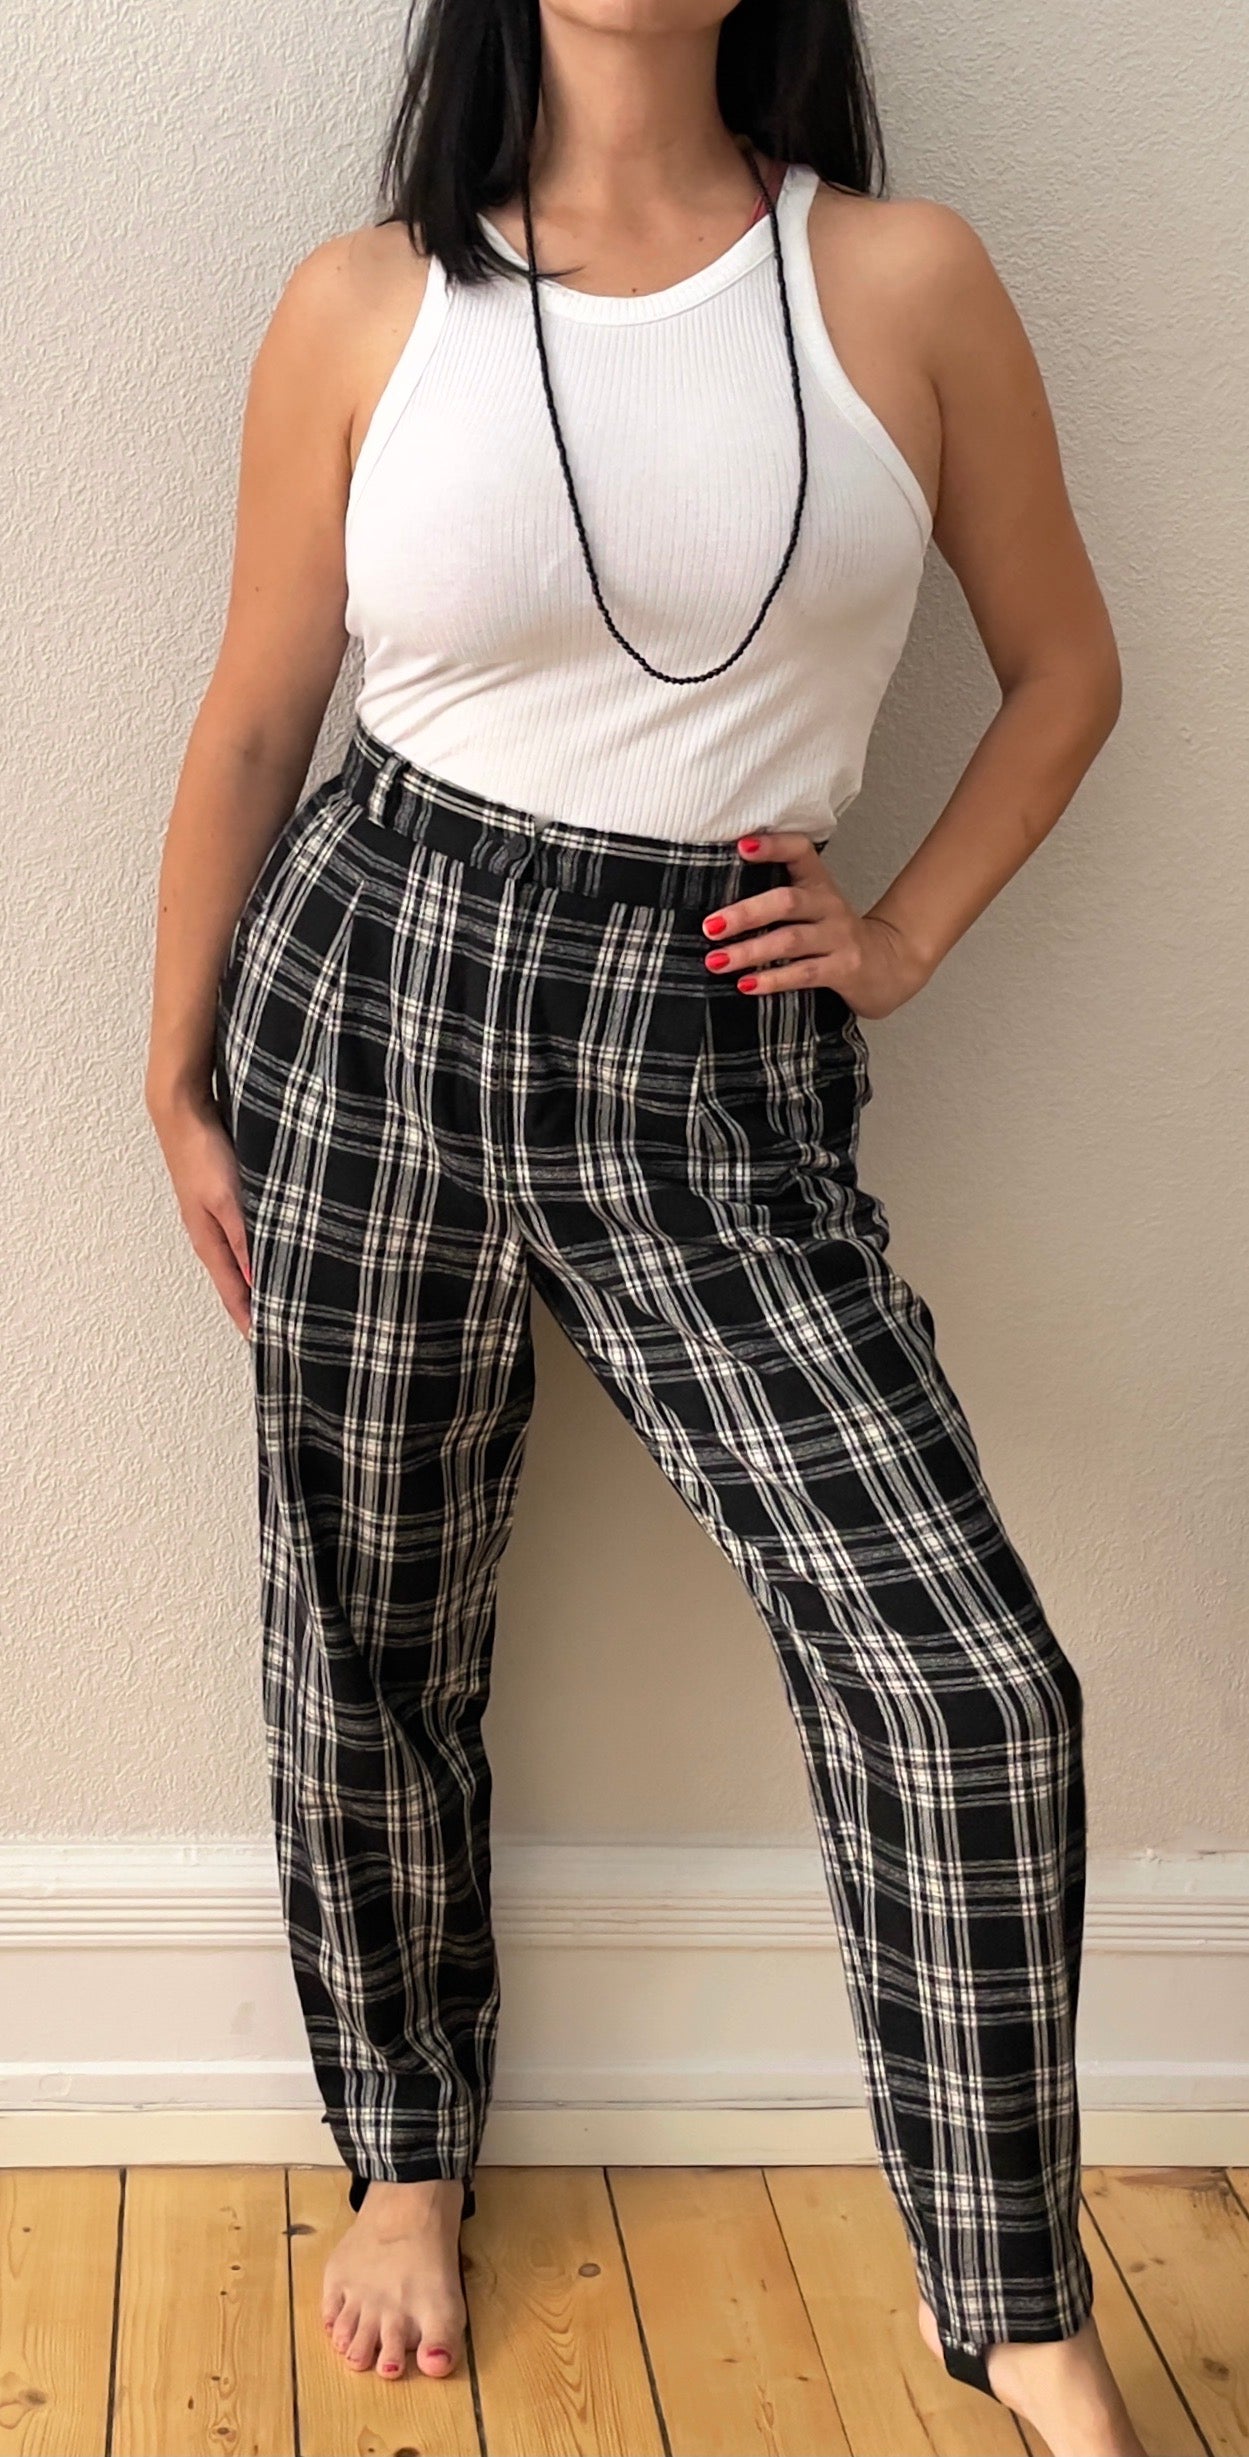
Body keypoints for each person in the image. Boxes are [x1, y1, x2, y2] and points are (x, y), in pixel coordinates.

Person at [145, 1, 1142, 2447]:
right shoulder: (364, 301)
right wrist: (165, 1060)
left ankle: (1015, 2295)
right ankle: (403, 2152)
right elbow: (258, 713)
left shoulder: (898, 280)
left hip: (706, 1035)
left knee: (966, 1681)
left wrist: (900, 933)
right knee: (367, 1617)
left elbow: (1063, 670)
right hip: (369, 980)